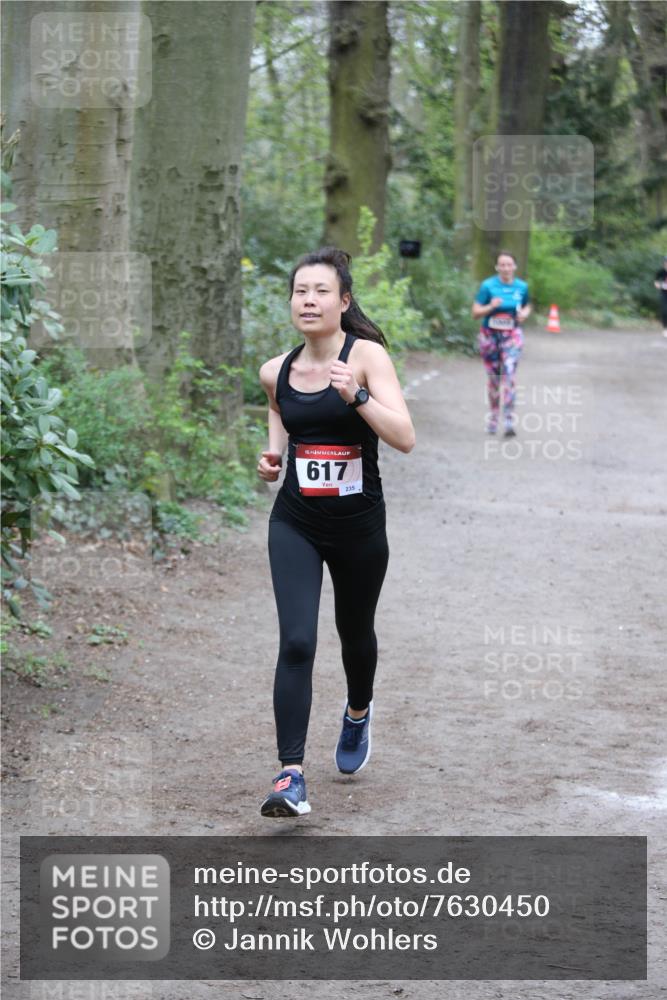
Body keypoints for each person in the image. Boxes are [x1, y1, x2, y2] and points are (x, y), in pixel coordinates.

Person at [256, 246, 415, 818]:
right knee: (297, 641)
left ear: (343, 302)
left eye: (321, 291)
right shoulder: (276, 368)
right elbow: (280, 406)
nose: (309, 300)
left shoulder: (366, 357)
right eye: (300, 290)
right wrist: (274, 454)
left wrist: (358, 396)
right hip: (295, 521)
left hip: (358, 527)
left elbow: (404, 437)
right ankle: (290, 776)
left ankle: (357, 712)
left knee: (355, 633)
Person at [472, 250, 531, 437]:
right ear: (497, 267)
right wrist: (491, 306)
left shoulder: (522, 287)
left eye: (509, 264)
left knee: (509, 374)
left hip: (512, 335)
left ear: (514, 266)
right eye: (502, 265)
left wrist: (524, 314)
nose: (506, 268)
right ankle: (494, 417)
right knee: (494, 380)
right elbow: (475, 313)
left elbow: (527, 305)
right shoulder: (488, 286)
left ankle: (508, 421)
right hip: (489, 336)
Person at [653, 255, 667, 338]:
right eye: (666, 262)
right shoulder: (660, 272)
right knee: (664, 311)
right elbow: (656, 282)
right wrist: (659, 285)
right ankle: (665, 328)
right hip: (664, 293)